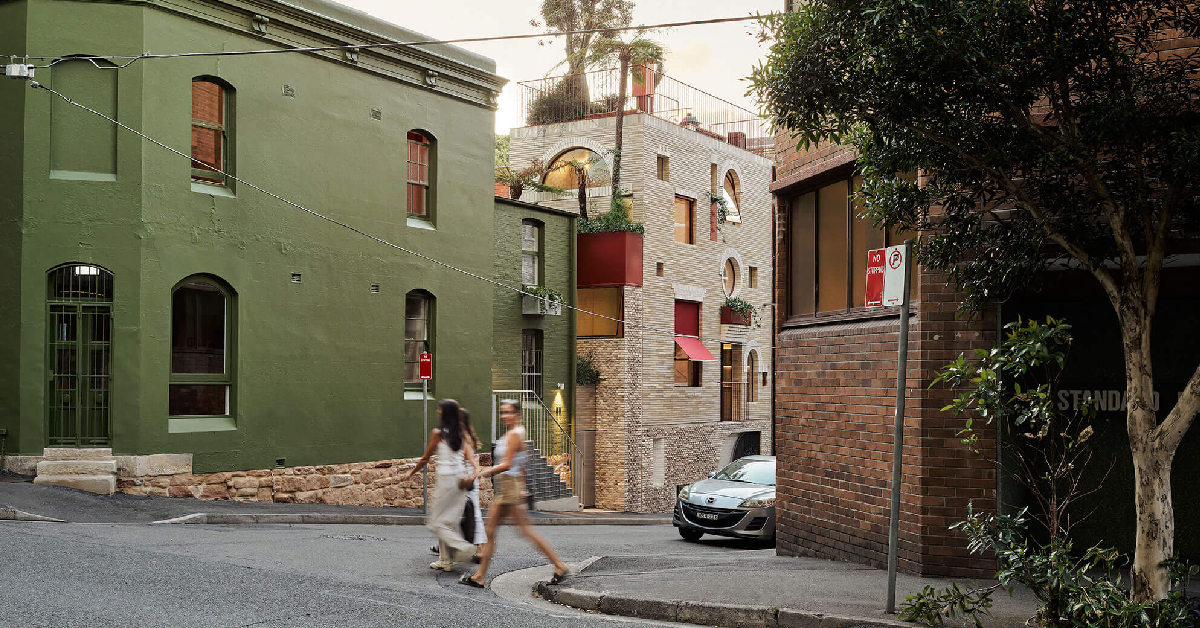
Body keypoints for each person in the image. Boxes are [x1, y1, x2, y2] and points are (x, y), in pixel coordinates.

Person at [460, 400, 568, 588]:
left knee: (522, 531)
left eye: (508, 412)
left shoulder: (515, 435)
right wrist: (523, 484)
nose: (504, 416)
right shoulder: (514, 433)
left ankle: (559, 565)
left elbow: (508, 464)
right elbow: (523, 461)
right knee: (492, 531)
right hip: (510, 485)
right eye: (503, 412)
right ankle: (480, 576)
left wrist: (482, 472)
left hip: (509, 487)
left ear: (517, 414)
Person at [404, 398, 477, 571]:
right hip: (459, 481)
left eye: (439, 409)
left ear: (444, 413)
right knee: (448, 522)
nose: (437, 411)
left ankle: (463, 547)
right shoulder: (461, 434)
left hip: (446, 481)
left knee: (436, 522)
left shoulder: (438, 434)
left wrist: (411, 472)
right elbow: (470, 458)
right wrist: (474, 474)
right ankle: (445, 561)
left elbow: (425, 458)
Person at [429, 408, 487, 559]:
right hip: (463, 481)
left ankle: (478, 549)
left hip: (465, 481)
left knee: (471, 515)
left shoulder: (462, 437)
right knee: (452, 514)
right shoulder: (460, 435)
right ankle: (446, 548)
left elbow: (470, 462)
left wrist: (477, 477)